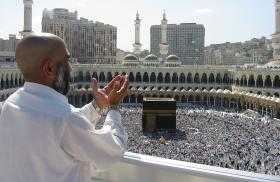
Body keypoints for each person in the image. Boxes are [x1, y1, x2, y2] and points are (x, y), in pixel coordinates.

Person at [0, 33, 129, 182]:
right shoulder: (65, 120)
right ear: (49, 68)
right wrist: (113, 107)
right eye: (67, 60)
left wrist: (97, 106)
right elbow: (111, 151)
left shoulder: (11, 104)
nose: (71, 67)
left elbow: (57, 128)